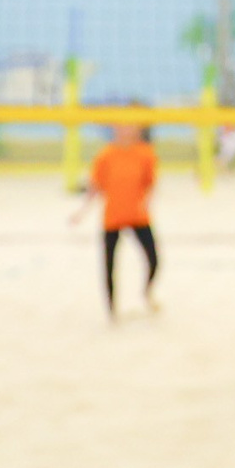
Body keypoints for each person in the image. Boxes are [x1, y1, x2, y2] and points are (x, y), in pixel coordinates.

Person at [72, 121, 159, 320]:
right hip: (113, 216)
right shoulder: (106, 155)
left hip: (138, 215)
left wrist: (148, 203)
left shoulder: (145, 154)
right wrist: (82, 211)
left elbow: (150, 183)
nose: (125, 130)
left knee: (154, 260)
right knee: (109, 265)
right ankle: (112, 310)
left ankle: (147, 292)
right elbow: (95, 186)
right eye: (122, 126)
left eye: (129, 126)